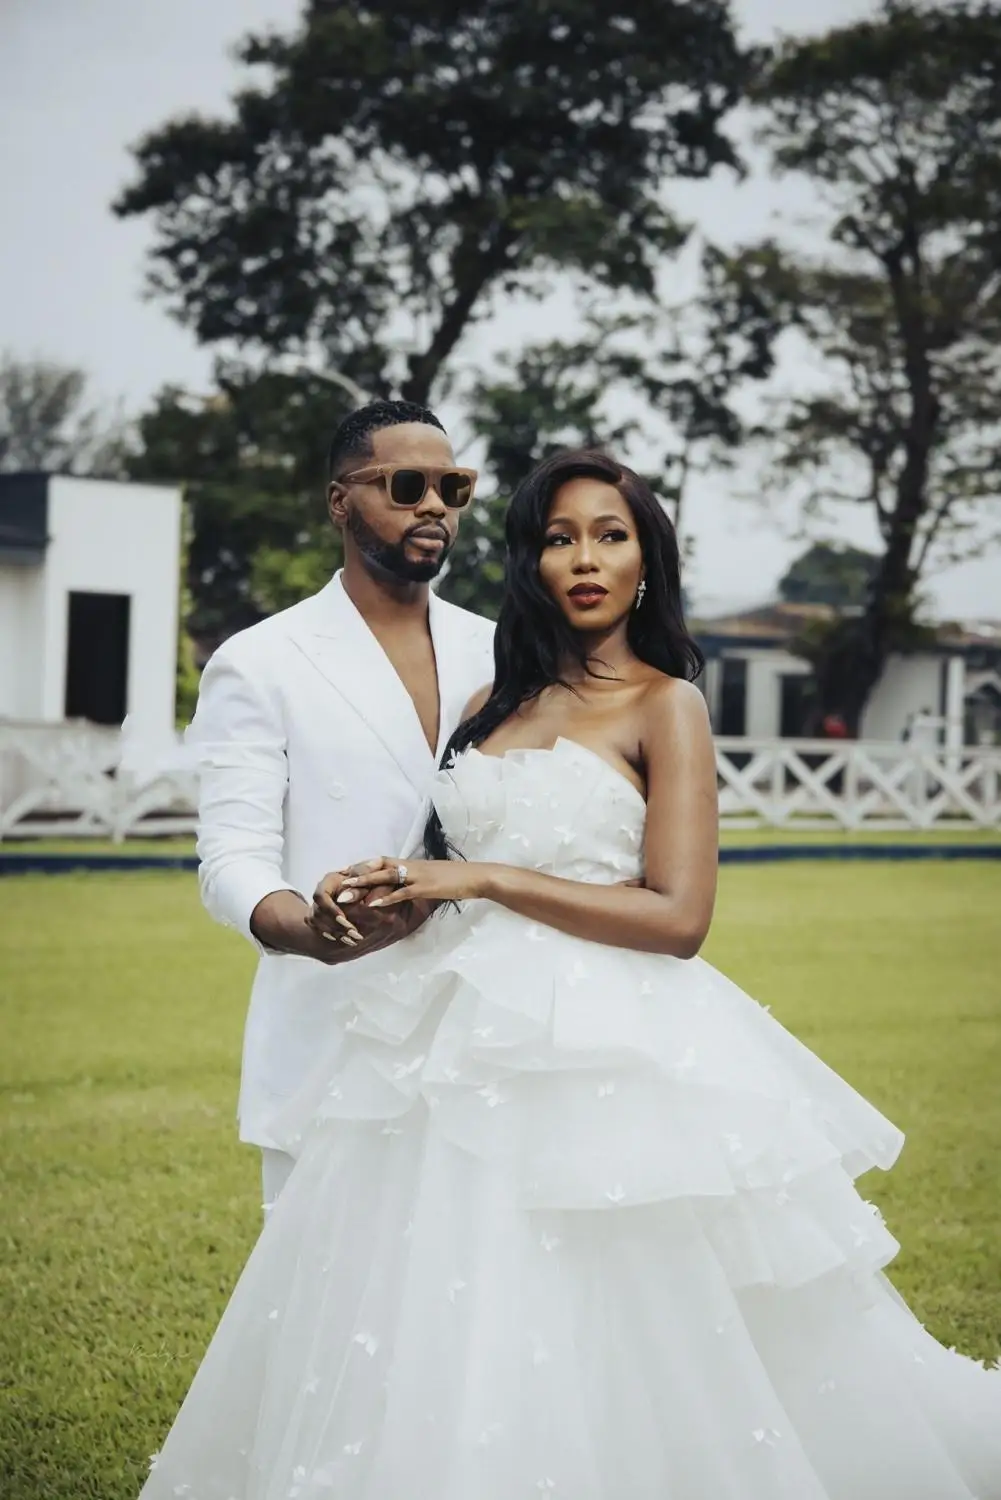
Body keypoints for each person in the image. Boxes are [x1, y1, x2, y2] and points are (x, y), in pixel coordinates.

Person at [141, 450, 1000, 1499]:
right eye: (558, 537)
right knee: (447, 1303)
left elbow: (679, 917)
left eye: (609, 534)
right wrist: (397, 890)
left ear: (646, 559)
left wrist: (488, 876)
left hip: (611, 1039)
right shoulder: (491, 695)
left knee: (624, 1294)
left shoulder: (665, 702)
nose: (583, 558)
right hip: (452, 1040)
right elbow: (431, 847)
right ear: (529, 559)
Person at [184, 398, 494, 1220]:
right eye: (404, 484)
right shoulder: (260, 662)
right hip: (334, 1028)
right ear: (339, 501)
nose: (432, 505)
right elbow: (231, 858)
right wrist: (307, 931)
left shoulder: (502, 649)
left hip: (486, 1031)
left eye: (451, 487)